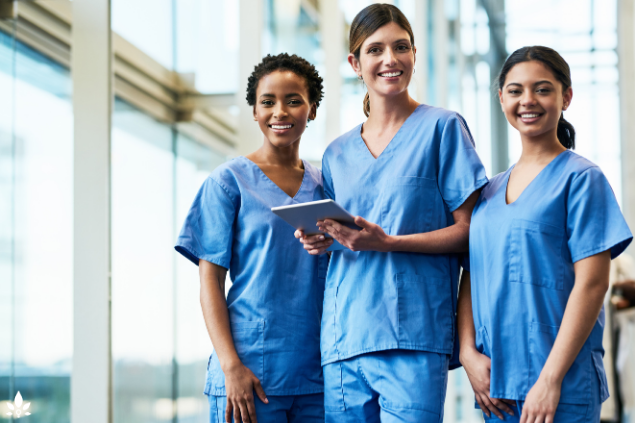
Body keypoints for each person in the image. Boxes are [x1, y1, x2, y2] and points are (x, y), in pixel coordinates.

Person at [296, 4, 487, 423]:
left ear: (415, 55)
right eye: (375, 49)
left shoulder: (443, 129)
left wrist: (389, 242)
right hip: (344, 340)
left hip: (414, 337)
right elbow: (342, 237)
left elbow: (472, 233)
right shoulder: (336, 154)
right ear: (355, 62)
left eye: (401, 47)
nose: (390, 59)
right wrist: (320, 239)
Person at [458, 46, 633, 423]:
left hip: (560, 387)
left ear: (565, 96)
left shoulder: (582, 180)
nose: (528, 101)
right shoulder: (487, 193)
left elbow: (592, 284)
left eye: (543, 89)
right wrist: (467, 355)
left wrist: (550, 380)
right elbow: (472, 275)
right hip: (496, 387)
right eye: (516, 90)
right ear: (502, 97)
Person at [175, 53, 328, 424]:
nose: (281, 111)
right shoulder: (228, 182)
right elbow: (209, 279)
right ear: (255, 111)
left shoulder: (327, 182)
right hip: (251, 375)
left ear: (312, 109)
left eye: (294, 101)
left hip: (319, 375)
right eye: (268, 102)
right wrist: (231, 367)